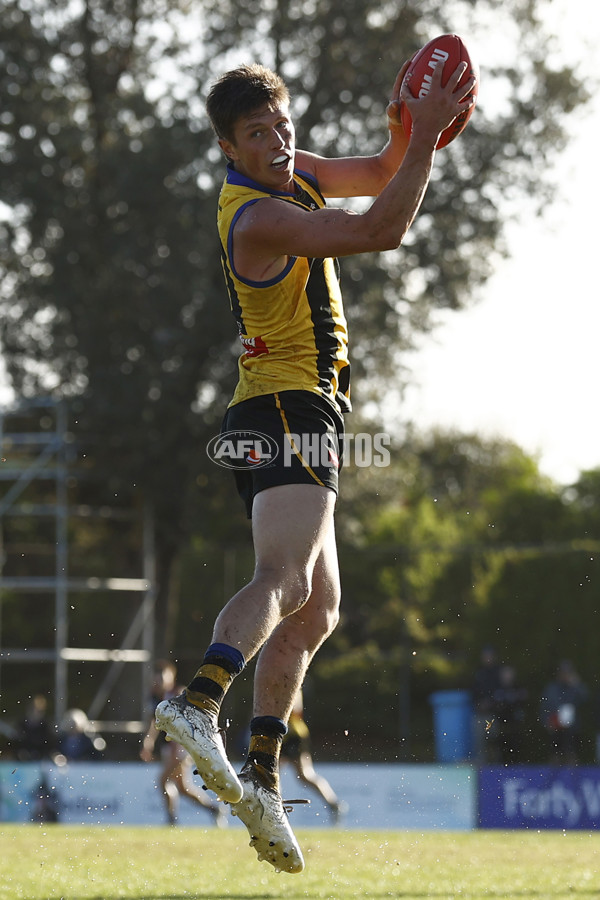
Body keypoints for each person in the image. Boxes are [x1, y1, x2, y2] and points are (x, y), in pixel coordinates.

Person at [156, 59, 476, 874]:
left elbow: (372, 172)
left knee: (317, 609)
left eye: (281, 124)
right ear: (228, 147)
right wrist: (429, 144)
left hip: (285, 405)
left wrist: (408, 128)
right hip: (289, 406)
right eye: (256, 134)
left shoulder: (292, 172)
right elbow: (381, 228)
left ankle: (260, 777)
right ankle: (198, 704)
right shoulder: (255, 214)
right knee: (286, 580)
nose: (277, 141)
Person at [140, 660, 227, 827]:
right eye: (156, 680)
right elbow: (154, 722)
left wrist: (180, 746)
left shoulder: (179, 694)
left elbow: (188, 721)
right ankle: (213, 810)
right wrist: (148, 742)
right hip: (171, 746)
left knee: (163, 781)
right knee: (183, 789)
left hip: (181, 746)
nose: (158, 683)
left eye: (161, 679)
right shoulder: (155, 697)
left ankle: (171, 820)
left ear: (170, 678)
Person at [280, 689, 346, 823]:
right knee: (273, 772)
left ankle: (334, 804)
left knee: (304, 775)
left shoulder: (289, 679)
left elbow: (294, 708)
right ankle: (276, 809)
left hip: (292, 734)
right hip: (283, 733)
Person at [540, 659, 589, 765]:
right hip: (555, 727)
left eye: (567, 673)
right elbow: (545, 707)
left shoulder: (574, 688)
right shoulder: (552, 688)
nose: (565, 675)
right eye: (563, 673)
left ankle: (572, 780)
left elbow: (585, 698)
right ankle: (554, 780)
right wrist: (546, 722)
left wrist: (577, 684)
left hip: (572, 729)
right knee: (555, 756)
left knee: (572, 755)